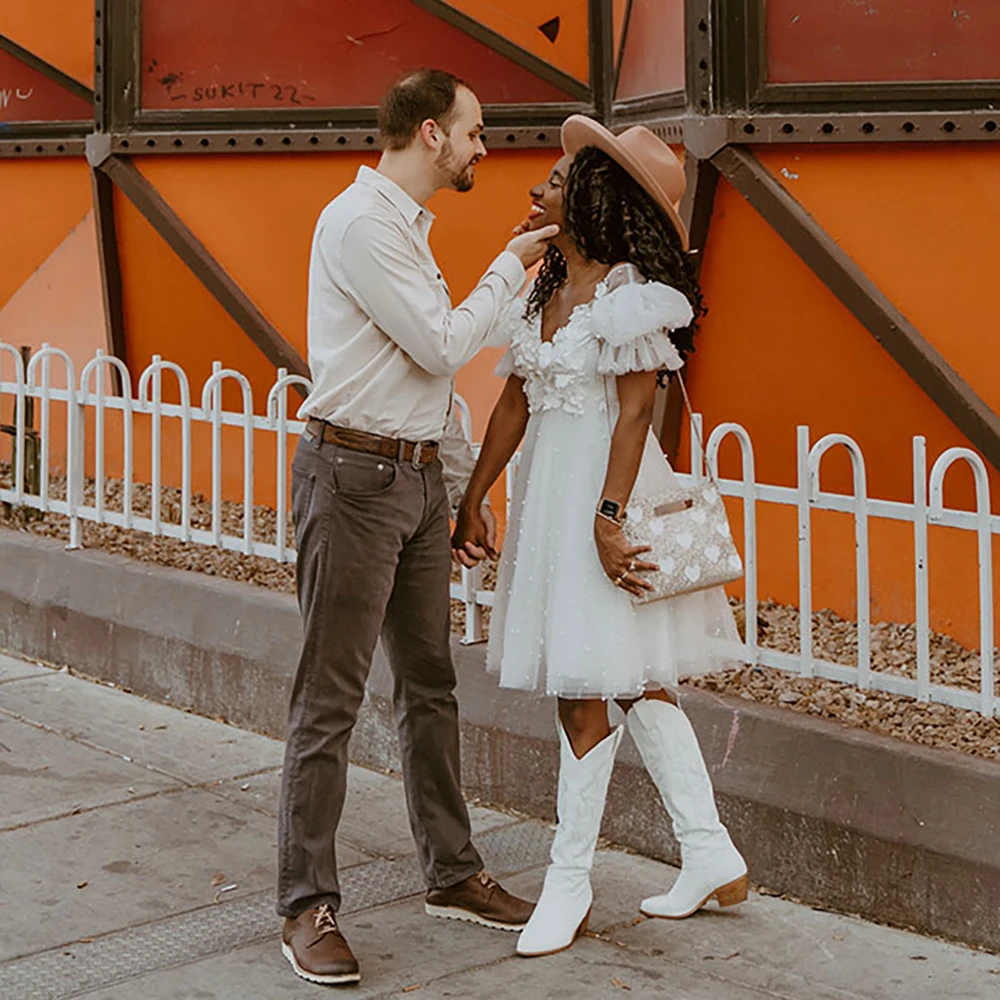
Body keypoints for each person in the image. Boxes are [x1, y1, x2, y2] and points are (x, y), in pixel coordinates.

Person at [278, 68, 557, 986]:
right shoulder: (361, 224)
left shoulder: (402, 229)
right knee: (330, 699)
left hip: (407, 479)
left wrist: (452, 488)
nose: (485, 148)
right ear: (432, 133)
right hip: (351, 479)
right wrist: (511, 266)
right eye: (476, 132)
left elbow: (424, 382)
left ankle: (451, 872)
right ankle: (305, 906)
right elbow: (442, 343)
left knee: (430, 687)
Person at [452, 116, 747, 959]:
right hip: (550, 494)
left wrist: (609, 519)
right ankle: (709, 851)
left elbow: (636, 411)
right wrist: (474, 497)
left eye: (551, 180)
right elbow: (513, 402)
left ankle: (569, 881)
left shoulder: (626, 295)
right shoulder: (546, 287)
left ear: (590, 196)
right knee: (635, 679)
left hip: (602, 498)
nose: (534, 190)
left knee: (583, 687)